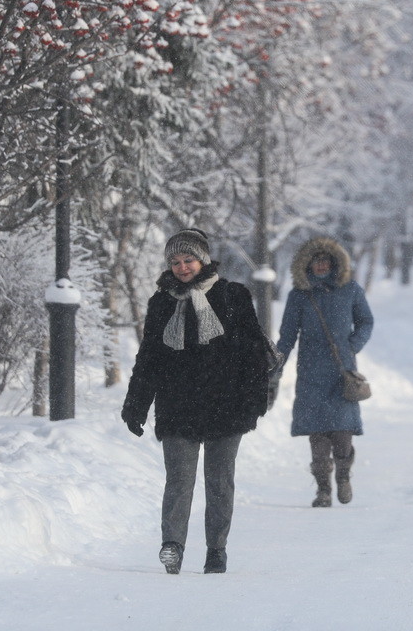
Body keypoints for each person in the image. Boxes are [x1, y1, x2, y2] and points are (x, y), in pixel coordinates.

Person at [121, 229, 276, 575]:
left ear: (202, 259)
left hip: (227, 403)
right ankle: (172, 545)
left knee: (220, 481)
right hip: (178, 404)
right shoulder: (162, 303)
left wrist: (255, 398)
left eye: (188, 259)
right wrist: (136, 404)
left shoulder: (233, 296)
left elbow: (253, 353)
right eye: (175, 262)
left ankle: (216, 549)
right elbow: (149, 357)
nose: (182, 267)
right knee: (179, 479)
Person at [276, 237, 374, 508]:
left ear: (334, 264)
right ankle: (323, 490)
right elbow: (287, 335)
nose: (320, 266)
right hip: (310, 374)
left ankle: (343, 475)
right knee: (317, 436)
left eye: (325, 261)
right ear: (307, 264)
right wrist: (276, 366)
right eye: (315, 261)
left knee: (343, 435)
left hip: (342, 372)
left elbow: (366, 321)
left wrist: (353, 344)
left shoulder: (350, 290)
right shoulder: (299, 295)